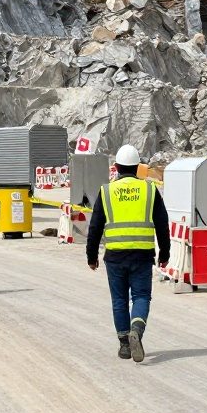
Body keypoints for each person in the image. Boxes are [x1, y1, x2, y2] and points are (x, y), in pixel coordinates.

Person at [86, 144, 170, 363]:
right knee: (141, 296)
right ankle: (137, 330)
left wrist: (91, 256)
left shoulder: (106, 191)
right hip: (142, 255)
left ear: (116, 167)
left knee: (120, 300)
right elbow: (162, 224)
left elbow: (95, 226)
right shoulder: (150, 190)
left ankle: (124, 344)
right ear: (138, 168)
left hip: (115, 256)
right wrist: (165, 253)